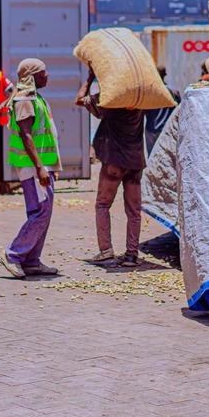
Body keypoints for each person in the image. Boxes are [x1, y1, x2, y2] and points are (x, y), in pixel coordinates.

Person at [0, 59, 61, 279]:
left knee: (42, 212)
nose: (47, 75)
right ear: (32, 76)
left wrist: (50, 167)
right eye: (43, 72)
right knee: (41, 212)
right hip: (32, 167)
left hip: (41, 166)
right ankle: (13, 254)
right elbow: (26, 136)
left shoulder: (35, 98)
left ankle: (31, 261)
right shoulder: (24, 100)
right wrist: (40, 168)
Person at [76, 66, 146, 267]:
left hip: (114, 161)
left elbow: (80, 100)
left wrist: (90, 78)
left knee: (102, 205)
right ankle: (131, 255)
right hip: (135, 162)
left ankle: (106, 251)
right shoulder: (141, 99)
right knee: (134, 211)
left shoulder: (110, 100)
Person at [144, 65, 180, 155]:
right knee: (164, 157)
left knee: (151, 157)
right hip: (165, 130)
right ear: (165, 75)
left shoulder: (149, 90)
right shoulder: (173, 91)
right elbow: (179, 110)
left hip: (150, 129)